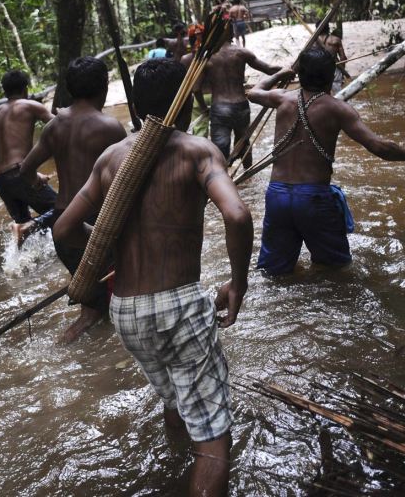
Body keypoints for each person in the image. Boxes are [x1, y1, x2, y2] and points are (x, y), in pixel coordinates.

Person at [54, 59, 253, 497]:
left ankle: (174, 465)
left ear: (137, 107)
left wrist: (108, 245)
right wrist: (238, 284)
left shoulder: (110, 160)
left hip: (126, 312)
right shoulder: (198, 151)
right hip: (178, 305)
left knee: (177, 400)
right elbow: (237, 215)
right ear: (183, 104)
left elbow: (63, 228)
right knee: (214, 438)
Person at [247, 47, 405, 277]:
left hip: (277, 195)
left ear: (300, 75)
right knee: (336, 271)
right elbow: (376, 145)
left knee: (275, 273)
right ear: (331, 77)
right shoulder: (338, 109)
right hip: (313, 199)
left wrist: (281, 74)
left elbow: (254, 91)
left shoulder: (282, 99)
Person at [19, 57, 126, 342]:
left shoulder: (54, 126)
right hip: (94, 225)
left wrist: (38, 182)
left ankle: (80, 359)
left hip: (62, 224)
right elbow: (127, 181)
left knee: (97, 306)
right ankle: (62, 350)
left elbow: (26, 169)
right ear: (103, 88)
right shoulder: (110, 127)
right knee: (98, 310)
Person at [0, 70, 56, 243]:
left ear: (5, 91)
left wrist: (3, 148)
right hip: (20, 173)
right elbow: (60, 126)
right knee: (62, 208)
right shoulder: (30, 105)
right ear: (25, 89)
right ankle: (26, 228)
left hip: (1, 179)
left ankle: (20, 266)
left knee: (23, 228)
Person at [201, 42, 282, 168]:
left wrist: (203, 107)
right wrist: (289, 69)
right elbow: (270, 69)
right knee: (244, 143)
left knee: (220, 148)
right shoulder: (241, 52)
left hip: (219, 107)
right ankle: (248, 177)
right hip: (241, 105)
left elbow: (195, 88)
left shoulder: (207, 56)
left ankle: (223, 181)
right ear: (230, 31)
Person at [316, 21, 350, 94]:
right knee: (338, 93)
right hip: (334, 69)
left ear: (317, 29)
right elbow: (343, 58)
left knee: (321, 93)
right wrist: (342, 72)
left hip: (318, 70)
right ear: (328, 28)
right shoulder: (335, 40)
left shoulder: (313, 41)